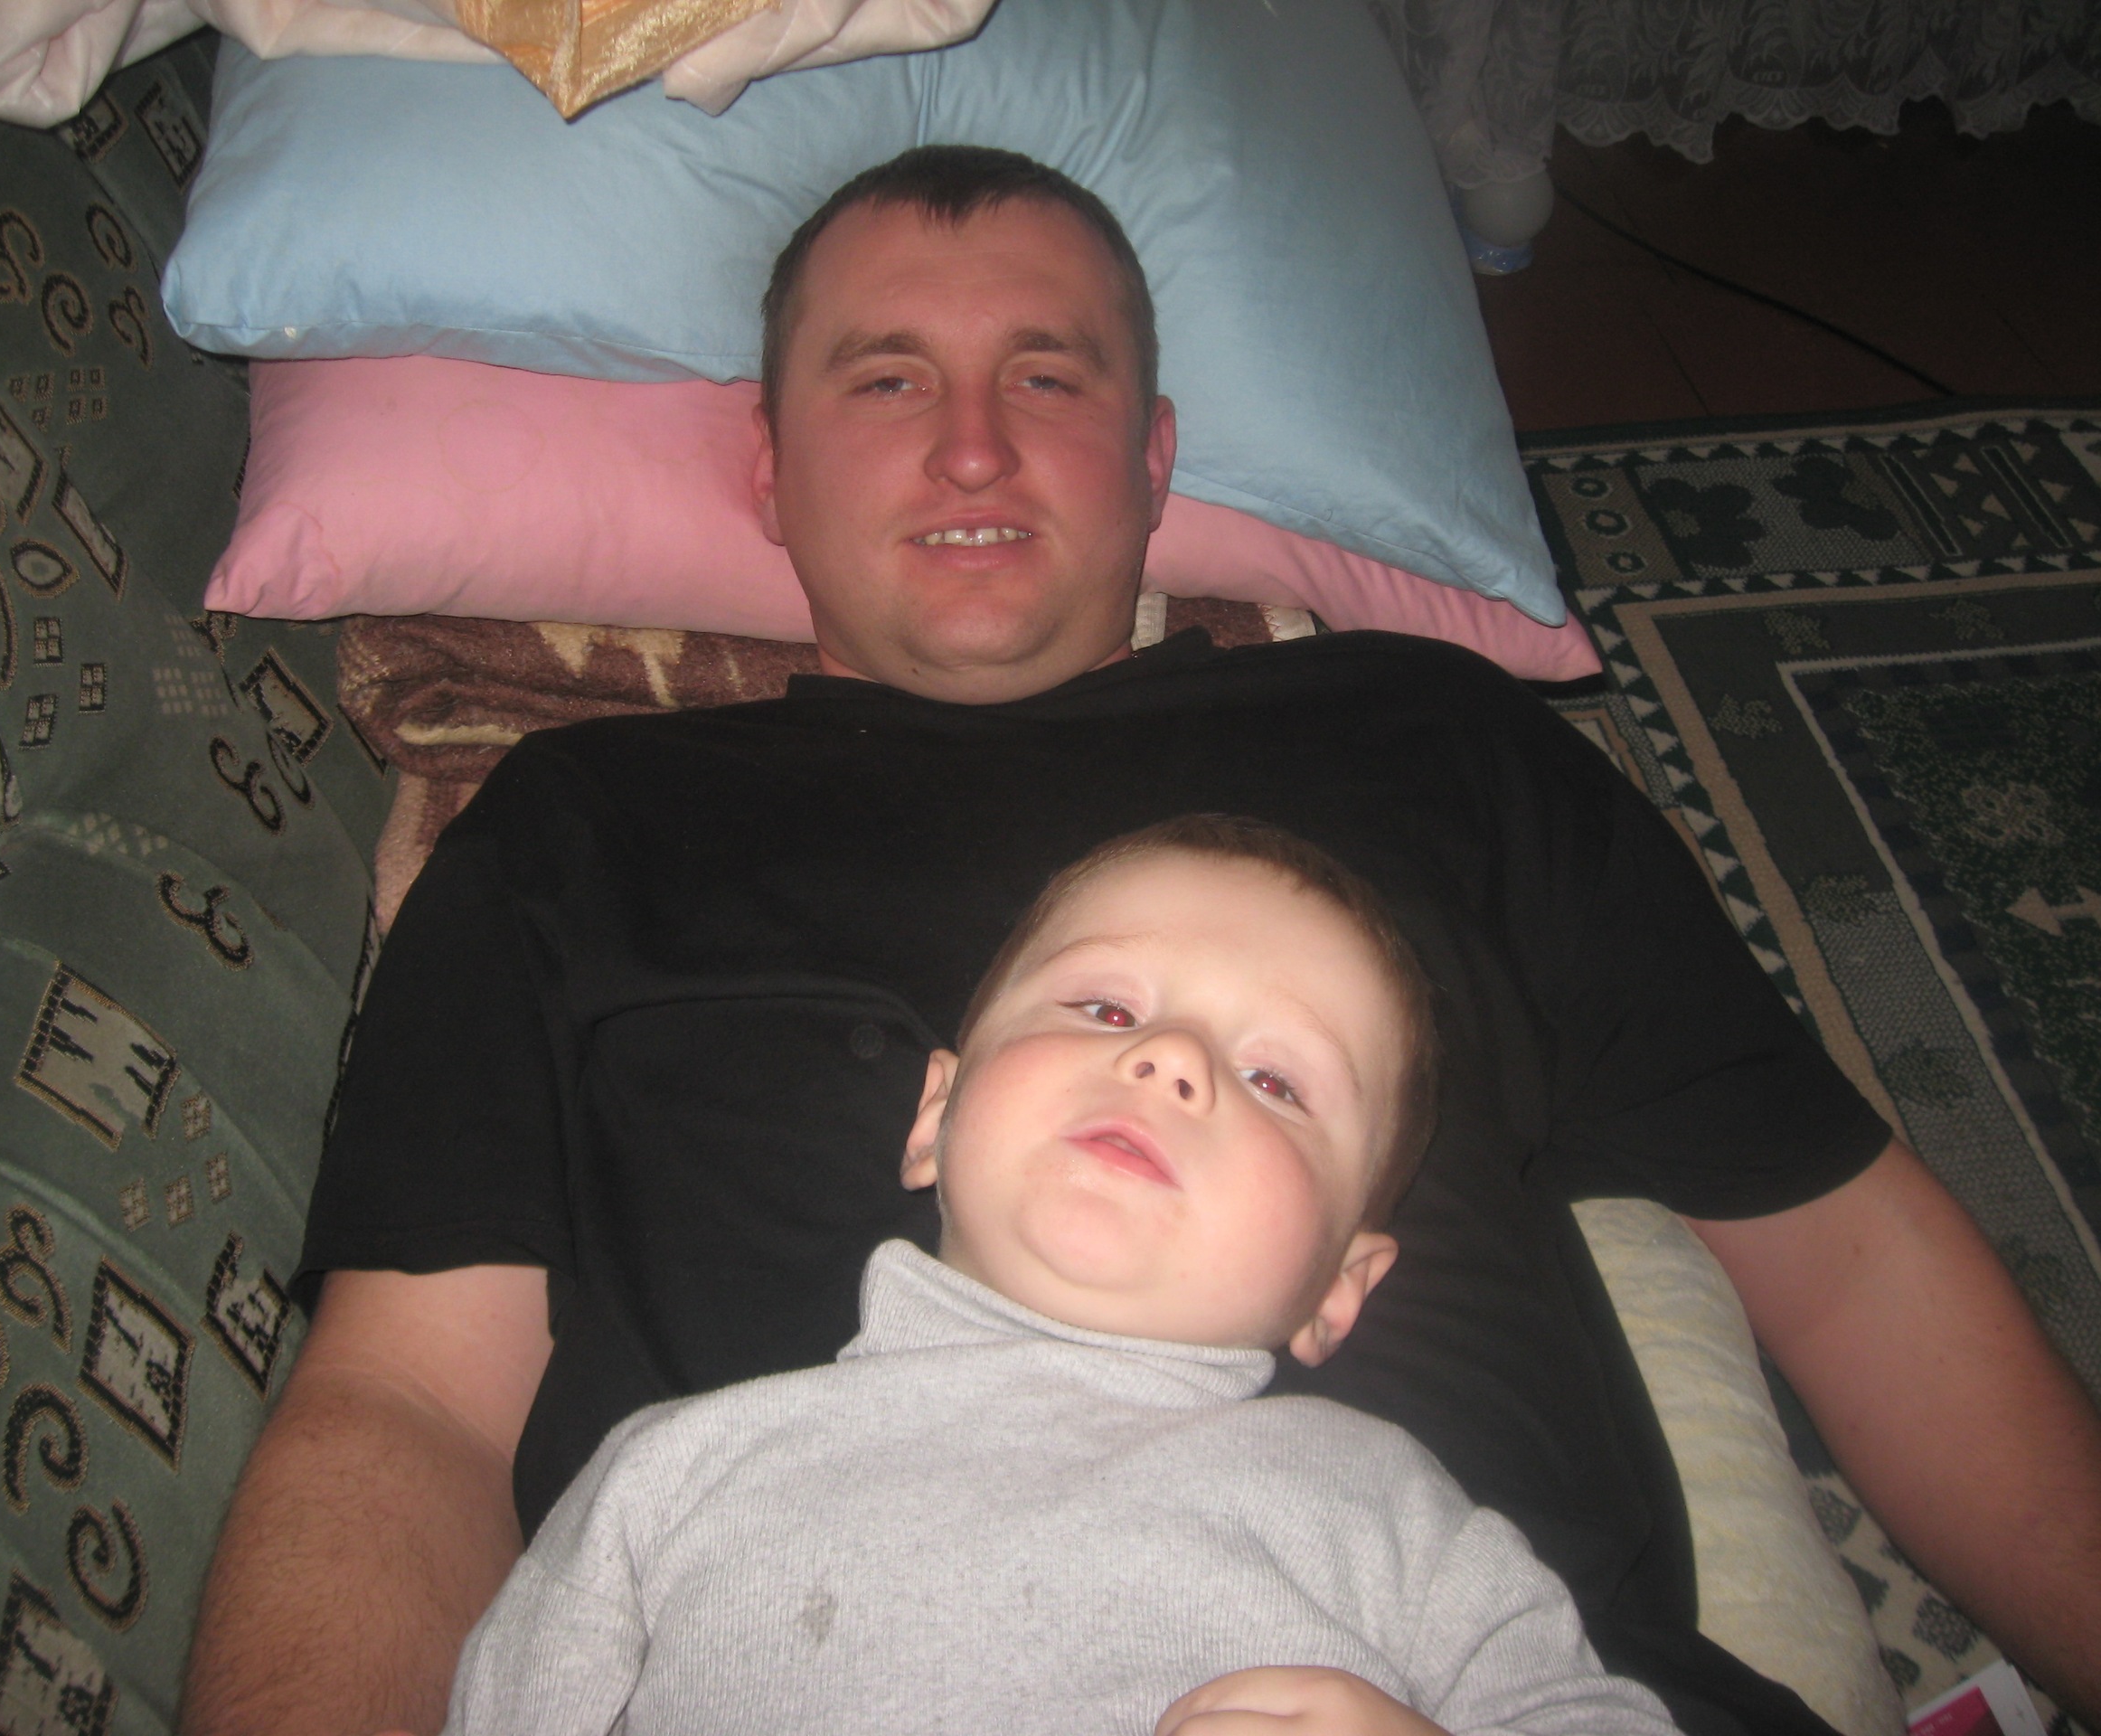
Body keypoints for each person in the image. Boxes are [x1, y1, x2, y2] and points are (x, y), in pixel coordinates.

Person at [181, 147, 2101, 1736]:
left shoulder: (1419, 732)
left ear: (1155, 457)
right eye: (883, 382)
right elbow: (404, 1413)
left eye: (1048, 378)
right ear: (765, 468)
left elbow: (1843, 1247)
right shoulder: (577, 827)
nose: (970, 450)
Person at [440, 817, 1683, 1736]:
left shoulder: (1387, 1506)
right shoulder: (676, 1469)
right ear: (937, 1114)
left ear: (1337, 1290)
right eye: (1104, 1009)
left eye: (1275, 1081)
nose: (1172, 1058)